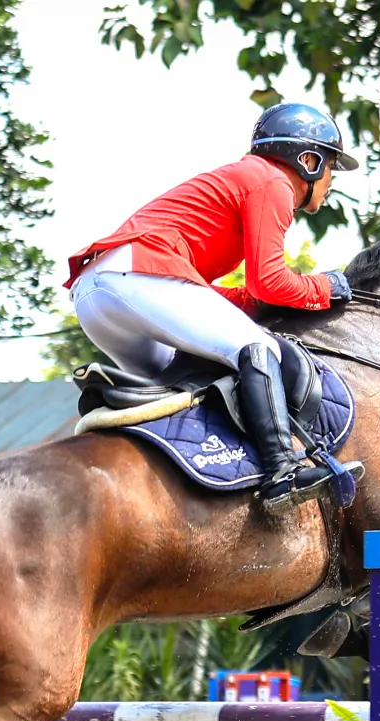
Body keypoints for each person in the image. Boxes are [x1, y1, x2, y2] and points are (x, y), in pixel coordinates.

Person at [66, 103, 358, 514]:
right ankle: (283, 472)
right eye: (330, 167)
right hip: (135, 277)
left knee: (176, 386)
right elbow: (270, 282)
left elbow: (204, 295)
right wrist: (325, 287)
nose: (330, 181)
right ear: (308, 162)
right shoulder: (273, 182)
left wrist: (253, 301)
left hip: (98, 294)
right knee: (258, 349)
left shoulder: (246, 178)